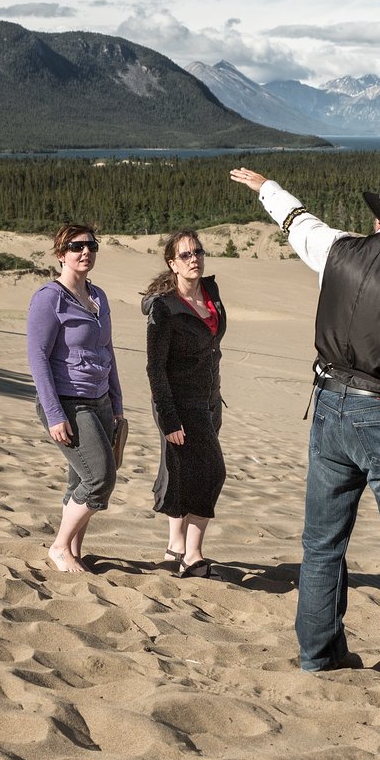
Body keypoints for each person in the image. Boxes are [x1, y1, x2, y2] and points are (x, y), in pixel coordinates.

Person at [228, 166, 380, 717]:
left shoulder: (337, 249)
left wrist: (266, 186)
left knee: (322, 539)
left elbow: (296, 220)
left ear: (376, 217)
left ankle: (318, 651)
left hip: (329, 405)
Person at [25, 223, 124, 574]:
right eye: (76, 246)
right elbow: (37, 357)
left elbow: (107, 351)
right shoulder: (50, 298)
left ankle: (74, 552)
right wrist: (54, 414)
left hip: (100, 400)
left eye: (91, 246)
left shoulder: (98, 297)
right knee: (100, 478)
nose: (85, 252)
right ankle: (59, 546)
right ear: (60, 253)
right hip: (67, 402)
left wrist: (117, 405)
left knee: (79, 479)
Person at [143, 229, 228, 579]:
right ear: (171, 263)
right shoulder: (164, 309)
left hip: (209, 399)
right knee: (212, 473)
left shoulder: (210, 293)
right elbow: (155, 367)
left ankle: (175, 548)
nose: (194, 259)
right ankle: (193, 555)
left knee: (184, 472)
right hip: (179, 402)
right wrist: (169, 418)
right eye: (185, 255)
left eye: (198, 252)